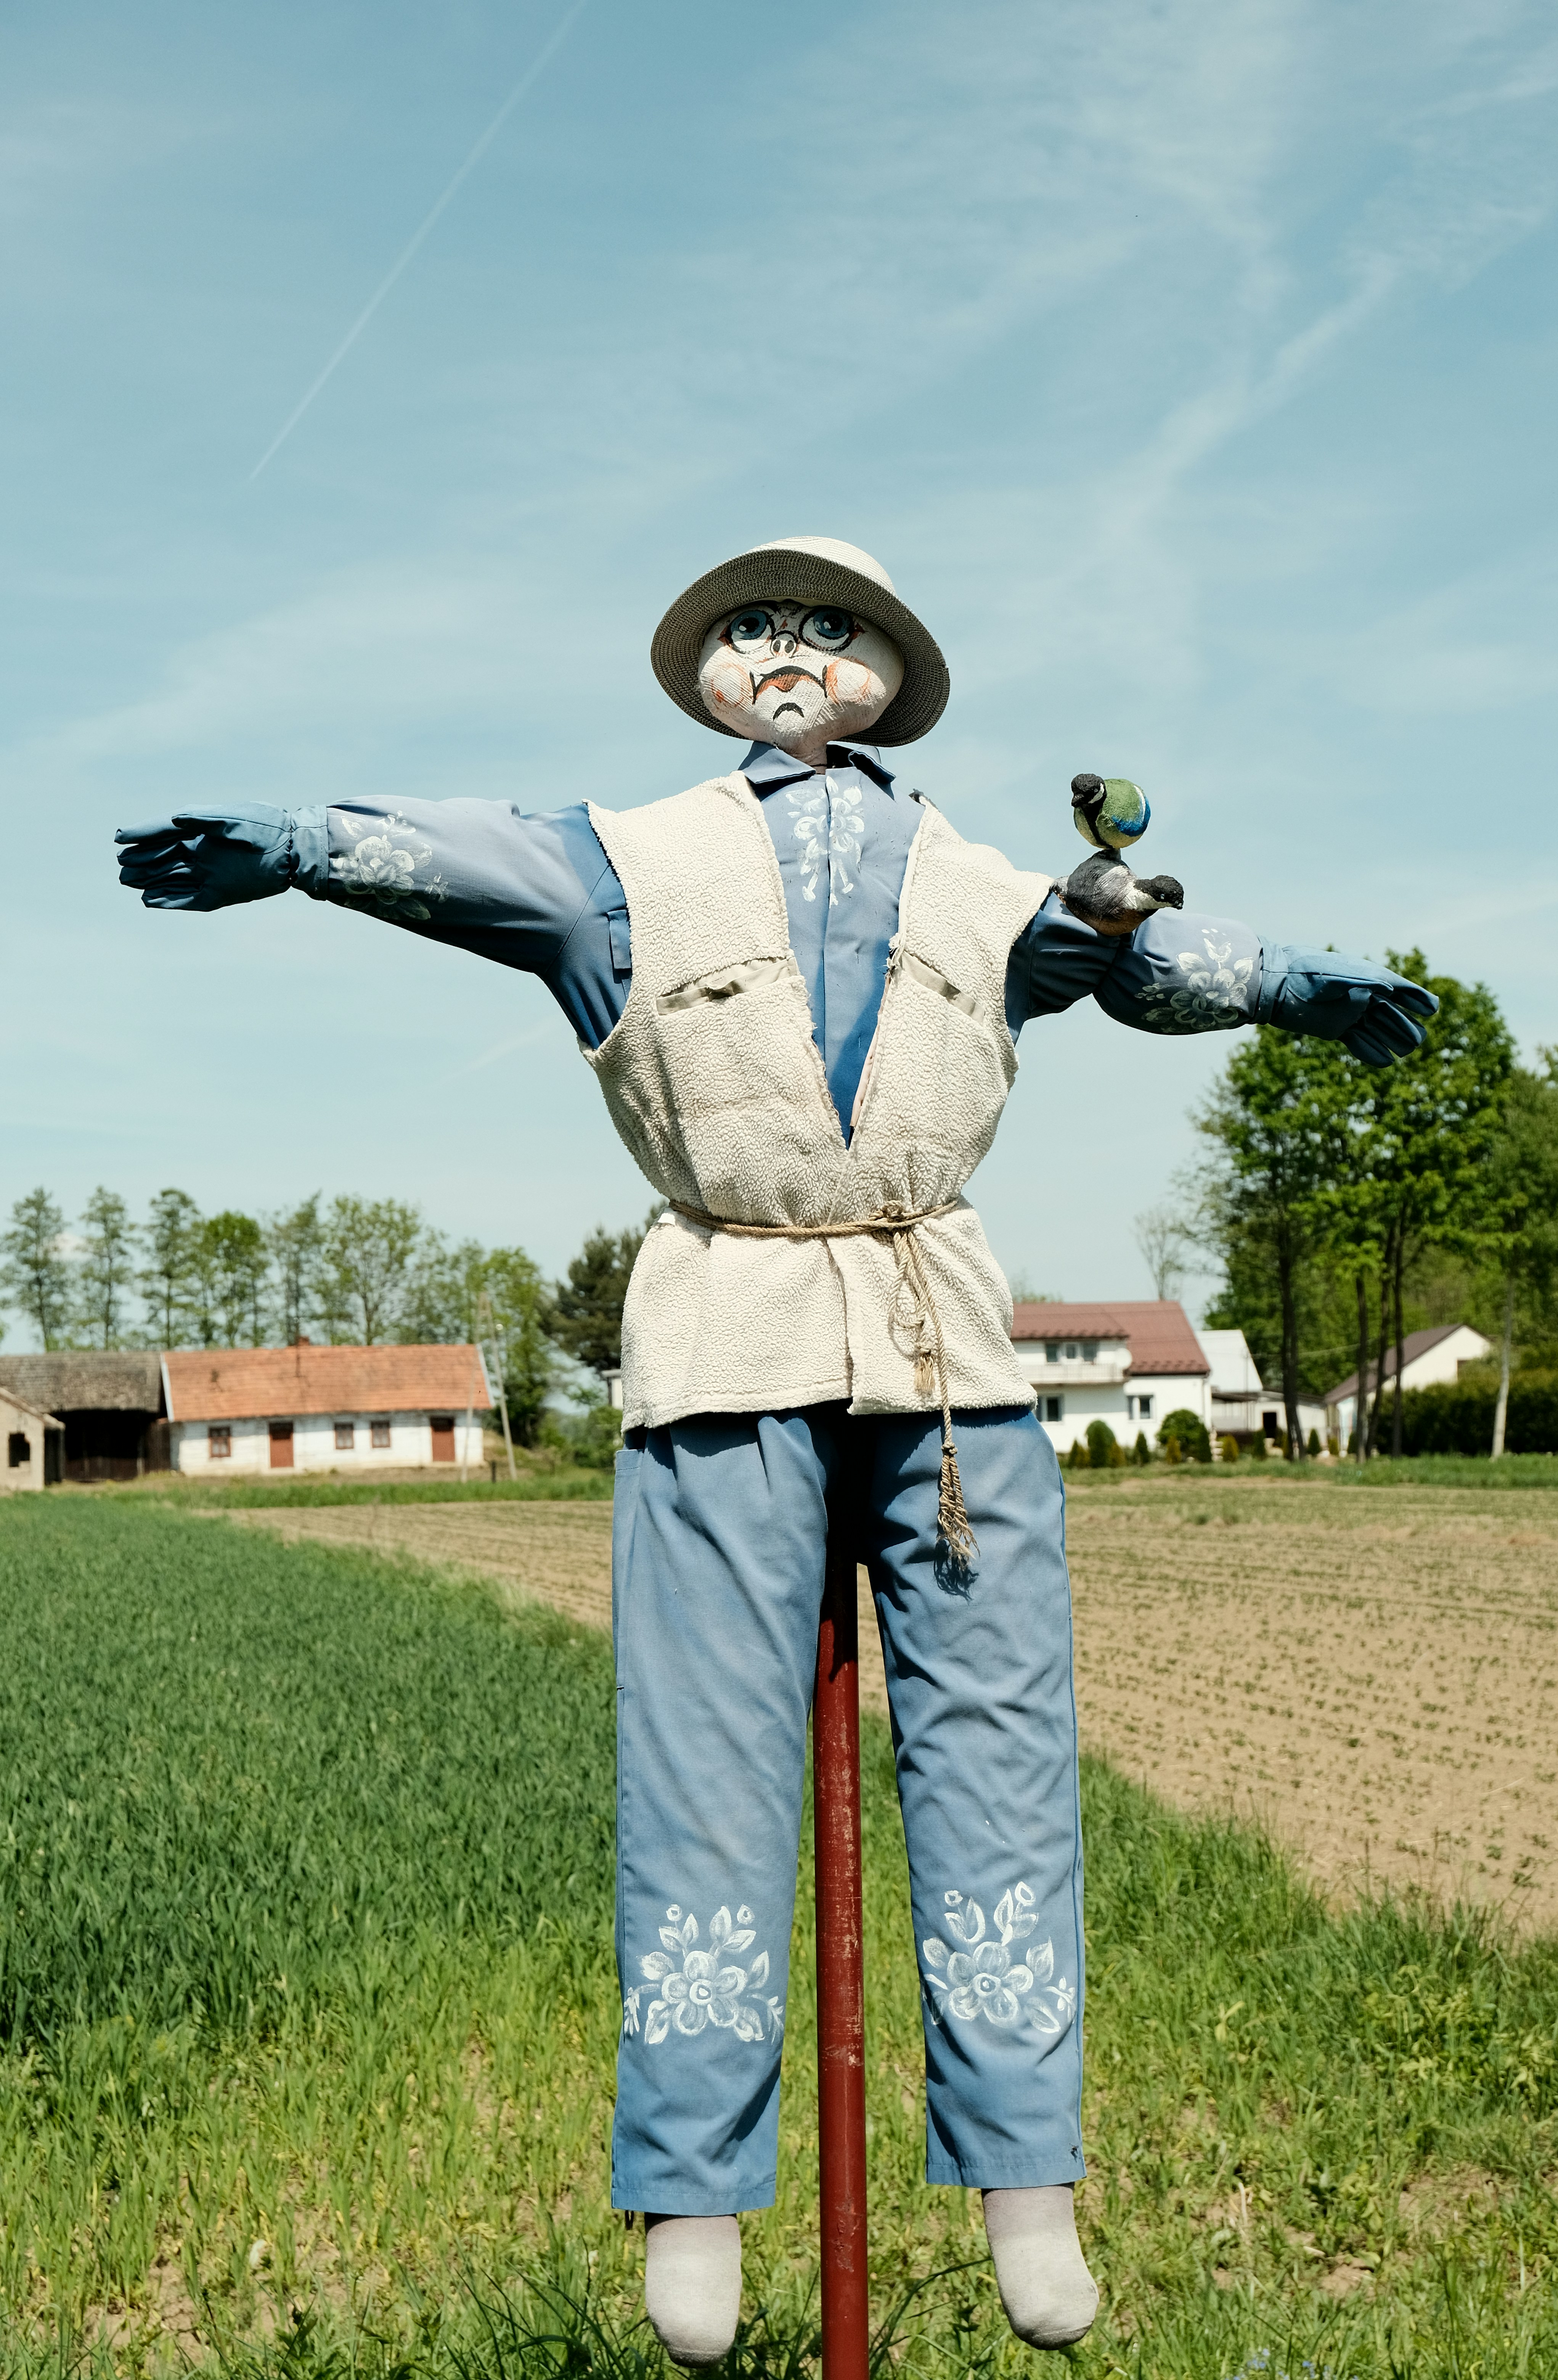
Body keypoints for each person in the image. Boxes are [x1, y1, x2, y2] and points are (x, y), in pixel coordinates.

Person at [116, 536, 1434, 2363]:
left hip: (939, 1341)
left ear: (893, 672)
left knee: (996, 1749)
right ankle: (693, 2193)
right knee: (704, 1759)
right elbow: (456, 853)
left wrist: (1279, 976)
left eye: (831, 632)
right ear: (704, 670)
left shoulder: (976, 879)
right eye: (754, 628)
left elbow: (1113, 953)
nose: (791, 655)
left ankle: (1024, 2176)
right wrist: (303, 842)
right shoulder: (620, 864)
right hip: (723, 1328)